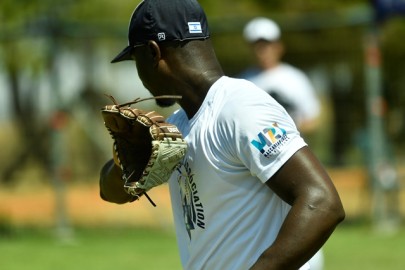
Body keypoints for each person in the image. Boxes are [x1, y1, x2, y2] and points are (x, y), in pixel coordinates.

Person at [100, 0, 345, 269]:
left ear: (152, 52)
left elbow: (322, 202)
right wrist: (123, 161)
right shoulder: (178, 126)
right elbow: (111, 192)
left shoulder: (239, 108)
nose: (139, 75)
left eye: (135, 60)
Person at [241, 17, 321, 135]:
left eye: (266, 45)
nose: (262, 52)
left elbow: (314, 119)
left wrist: (281, 133)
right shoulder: (242, 82)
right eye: (257, 46)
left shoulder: (295, 78)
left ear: (279, 46)